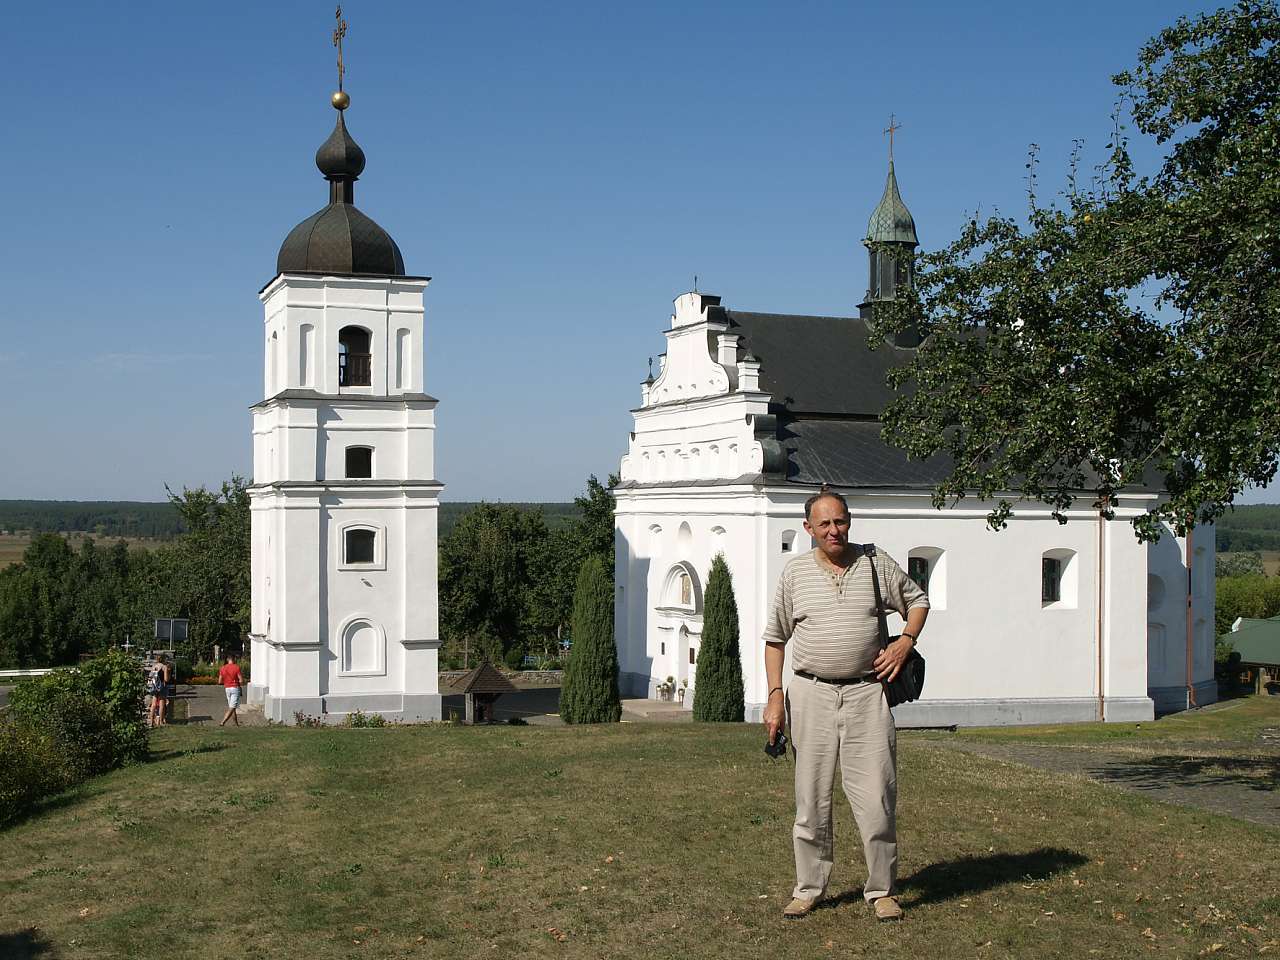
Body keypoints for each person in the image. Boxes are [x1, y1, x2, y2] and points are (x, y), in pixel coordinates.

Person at [762, 488, 929, 922]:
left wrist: (904, 644)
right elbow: (775, 639)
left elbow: (917, 601)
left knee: (877, 798)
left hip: (866, 694)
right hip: (810, 694)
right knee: (811, 801)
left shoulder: (875, 562)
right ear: (808, 529)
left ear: (849, 521)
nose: (833, 530)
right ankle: (808, 888)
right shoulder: (795, 573)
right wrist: (775, 696)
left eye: (840, 521)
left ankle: (882, 891)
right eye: (824, 524)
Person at [218, 653, 244, 727]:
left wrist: (227, 682)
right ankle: (222, 722)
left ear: (227, 659)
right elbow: (241, 680)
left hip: (227, 688)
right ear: (234, 659)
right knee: (232, 707)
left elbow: (219, 681)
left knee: (232, 708)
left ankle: (236, 724)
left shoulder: (222, 668)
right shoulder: (236, 667)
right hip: (235, 688)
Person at [149, 655, 171, 727]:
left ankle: (151, 722)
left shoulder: (153, 667)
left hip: (155, 687)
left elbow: (151, 678)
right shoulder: (164, 667)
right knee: (161, 705)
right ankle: (161, 722)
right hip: (162, 687)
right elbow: (166, 679)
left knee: (153, 704)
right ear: (164, 659)